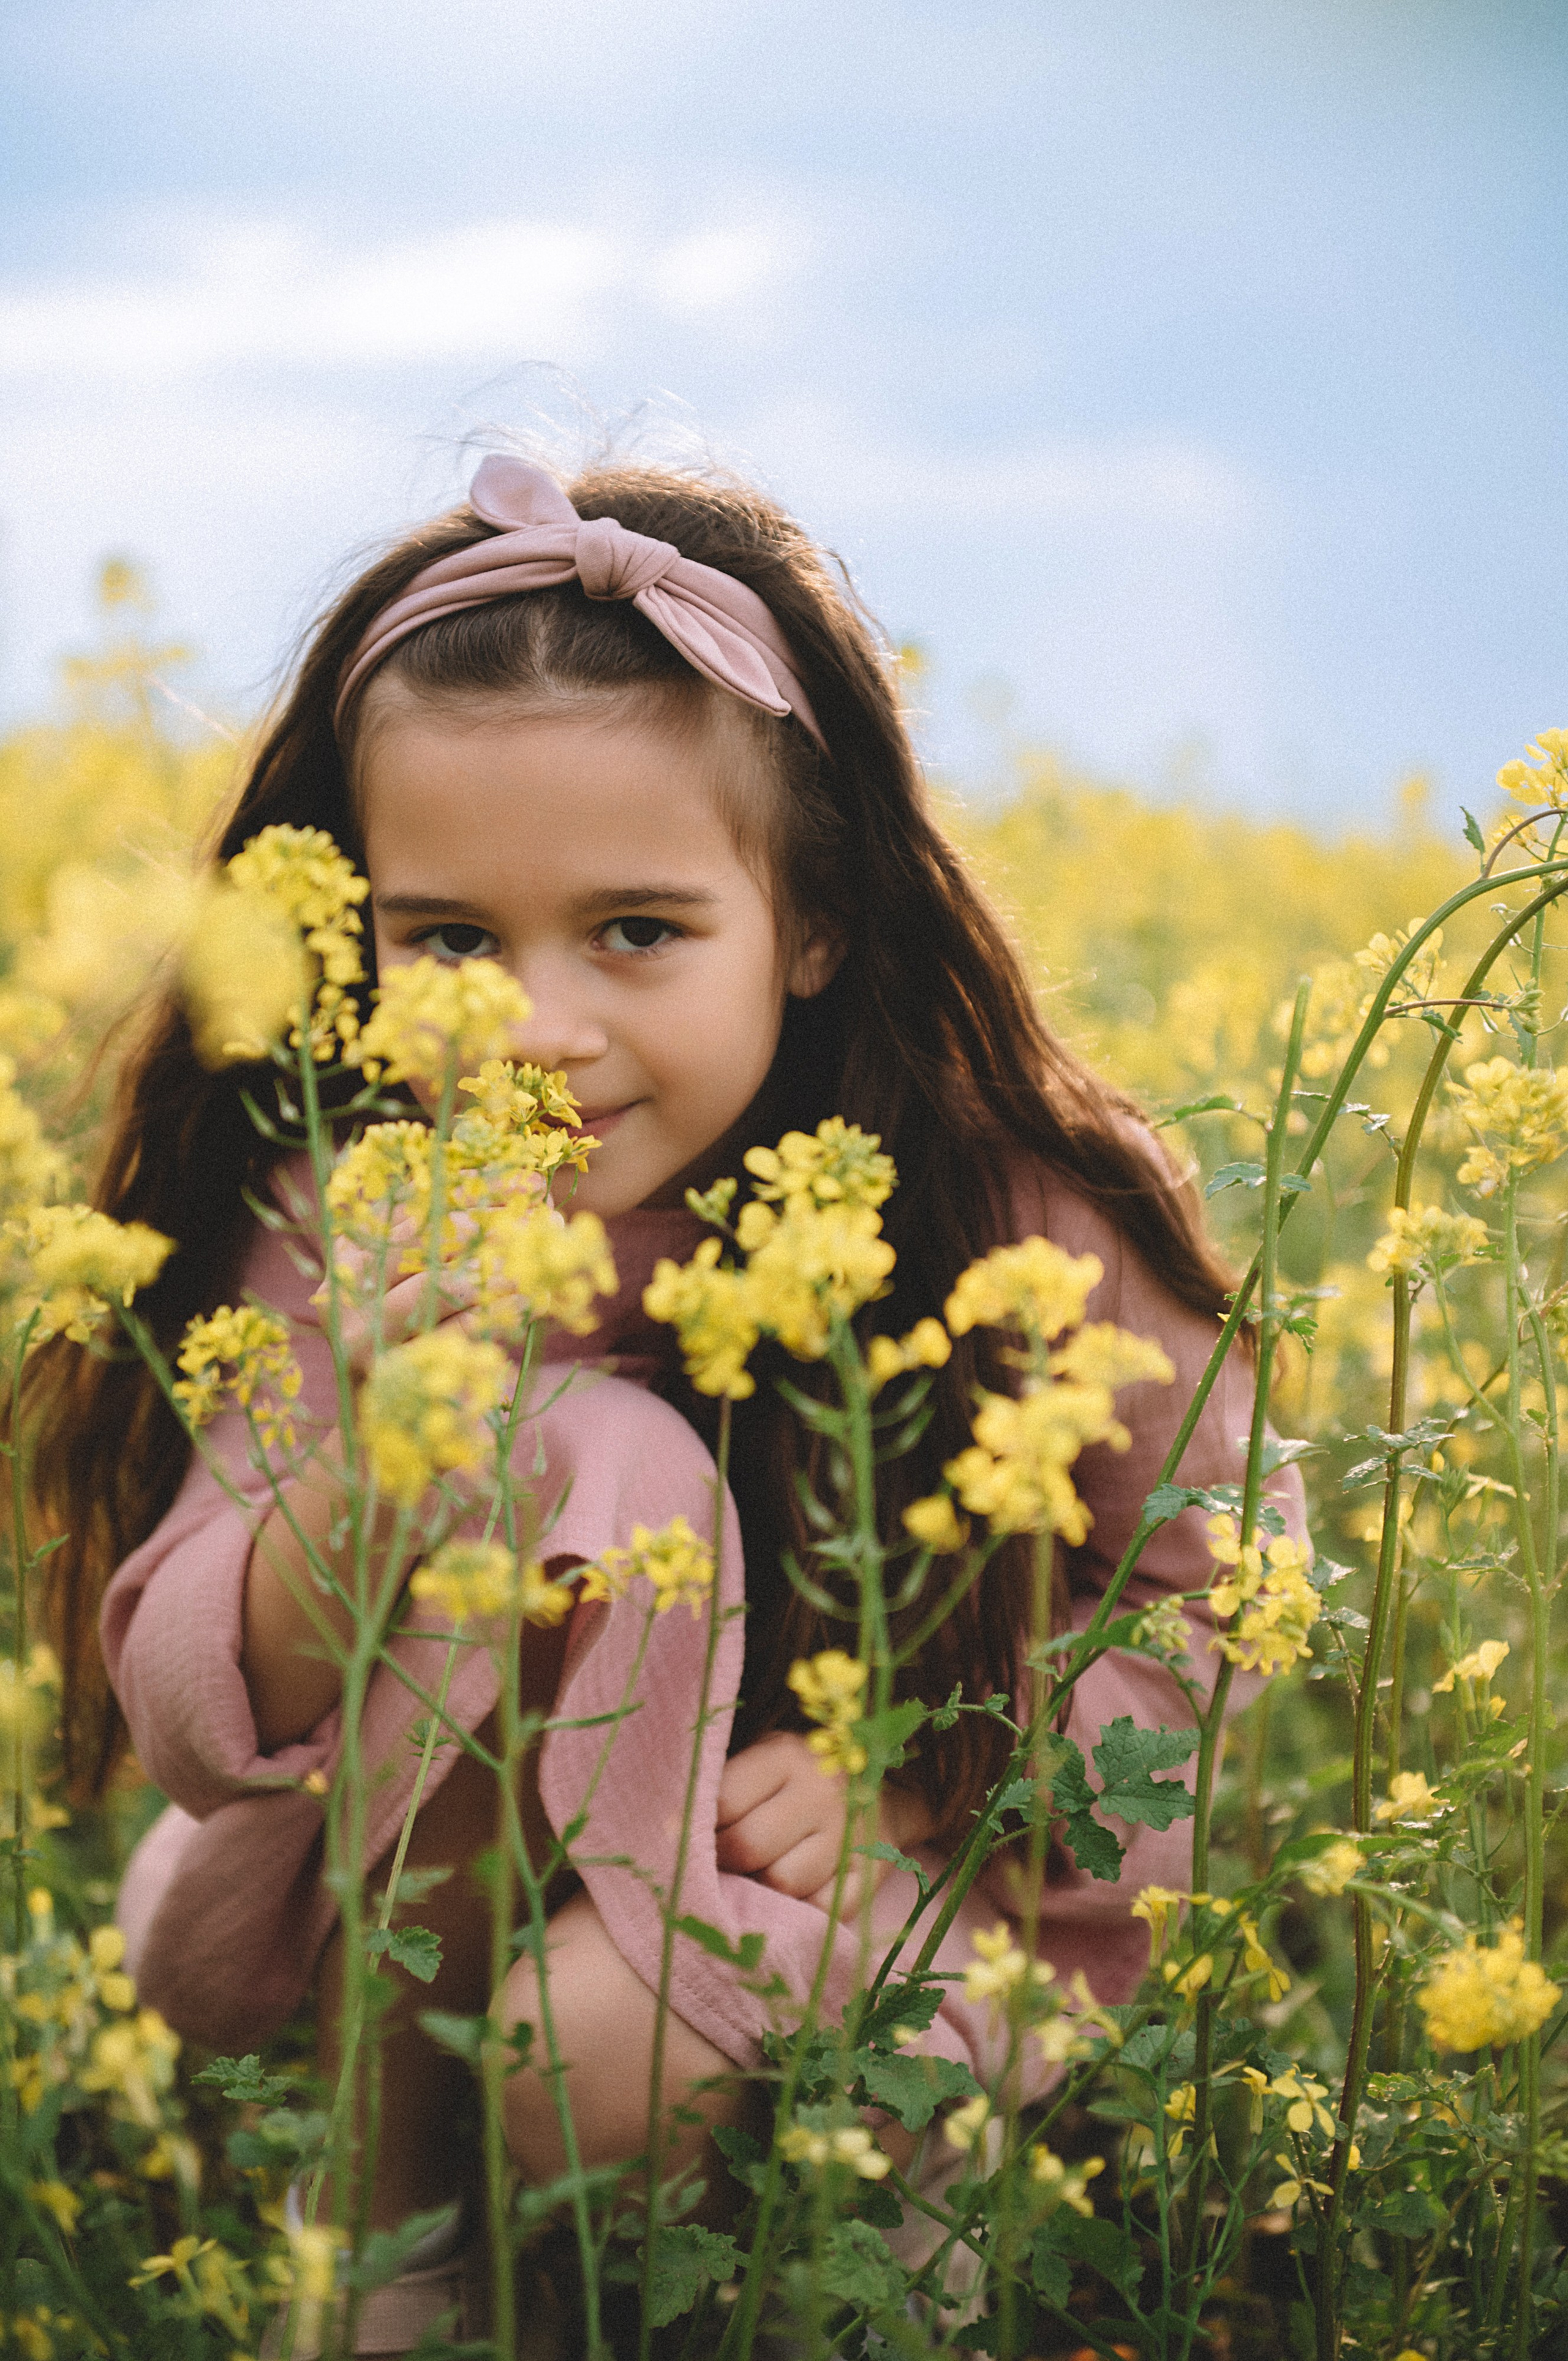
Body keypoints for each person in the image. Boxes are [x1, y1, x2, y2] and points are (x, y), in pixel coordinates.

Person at [30, 450, 1303, 2349]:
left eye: (636, 932)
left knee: (582, 2057)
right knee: (575, 1455)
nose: (534, 1030)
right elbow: (200, 1711)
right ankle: (393, 2242)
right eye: (448, 941)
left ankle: (880, 2226)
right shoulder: (358, 1222)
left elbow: (1212, 1603)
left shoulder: (1009, 1205)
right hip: (434, 1908)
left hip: (894, 1885)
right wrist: (375, 1473)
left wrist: (933, 1777)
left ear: (812, 924)